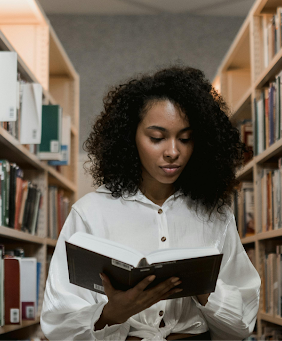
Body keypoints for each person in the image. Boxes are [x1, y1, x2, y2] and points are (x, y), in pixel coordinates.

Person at [41, 66, 261, 341]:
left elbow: (241, 326)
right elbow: (58, 324)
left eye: (185, 138)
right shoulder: (90, 213)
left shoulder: (216, 215)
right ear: (129, 137)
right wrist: (112, 314)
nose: (173, 152)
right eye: (156, 138)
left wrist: (203, 289)